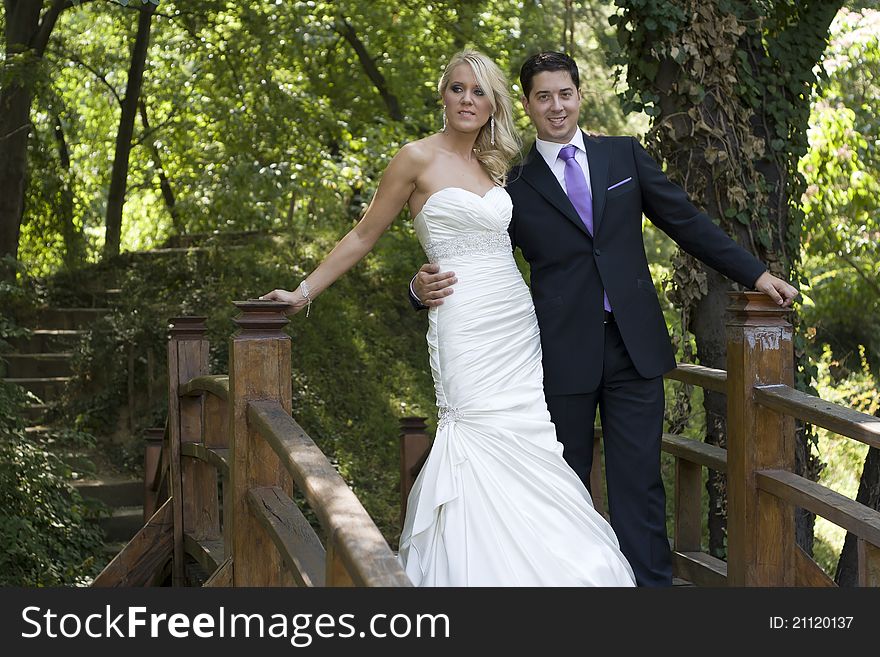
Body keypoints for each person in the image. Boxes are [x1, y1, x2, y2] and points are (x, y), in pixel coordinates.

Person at [411, 51, 799, 587]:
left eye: (564, 94)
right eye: (543, 96)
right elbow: (476, 256)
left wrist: (755, 275)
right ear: (526, 105)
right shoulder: (511, 184)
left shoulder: (623, 157)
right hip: (555, 354)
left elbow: (686, 223)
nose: (556, 106)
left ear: (579, 95)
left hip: (634, 348)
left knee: (639, 485)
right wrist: (418, 290)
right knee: (561, 485)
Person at [261, 49, 636, 586]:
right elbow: (365, 234)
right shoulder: (414, 159)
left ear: (493, 105)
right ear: (443, 94)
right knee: (475, 432)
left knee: (531, 439)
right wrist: (303, 293)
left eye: (479, 91)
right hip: (462, 319)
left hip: (515, 322)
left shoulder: (501, 165)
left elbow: (558, 222)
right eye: (458, 88)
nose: (468, 99)